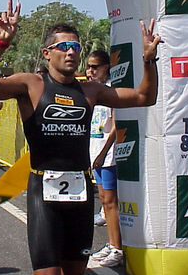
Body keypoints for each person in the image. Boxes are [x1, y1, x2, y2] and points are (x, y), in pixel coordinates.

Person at [0, 0, 161, 275]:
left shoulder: (90, 91)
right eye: (64, 47)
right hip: (43, 192)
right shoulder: (31, 84)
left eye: (76, 47)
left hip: (80, 193)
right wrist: (1, 44)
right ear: (47, 53)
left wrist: (148, 59)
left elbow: (145, 96)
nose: (71, 52)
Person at [86, 50, 123, 267]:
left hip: (108, 157)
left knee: (110, 202)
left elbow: (117, 126)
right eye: (89, 67)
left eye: (95, 67)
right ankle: (111, 244)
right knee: (103, 199)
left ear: (106, 68)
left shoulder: (110, 91)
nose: (90, 71)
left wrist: (102, 154)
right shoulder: (91, 92)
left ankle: (117, 248)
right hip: (95, 153)